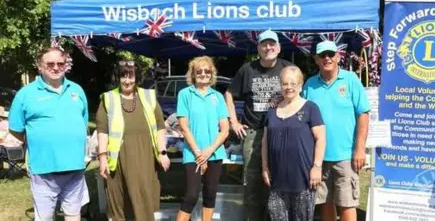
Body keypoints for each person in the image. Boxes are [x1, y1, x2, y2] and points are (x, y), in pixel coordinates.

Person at [8, 47, 89, 221]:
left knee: (74, 214)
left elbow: (83, 123)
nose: (55, 67)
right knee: (44, 217)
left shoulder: (77, 90)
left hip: (75, 167)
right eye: (50, 63)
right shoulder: (25, 94)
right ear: (39, 66)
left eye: (60, 63)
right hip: (43, 169)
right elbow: (15, 129)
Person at [225, 29, 292, 220]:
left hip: (281, 132)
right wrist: (233, 122)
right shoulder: (247, 69)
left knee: (279, 182)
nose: (268, 47)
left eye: (272, 44)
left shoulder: (287, 68)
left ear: (278, 48)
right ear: (258, 48)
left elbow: (298, 94)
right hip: (253, 133)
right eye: (264, 44)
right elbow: (229, 94)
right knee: (252, 185)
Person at [303, 41, 370, 221]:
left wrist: (360, 149)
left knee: (347, 203)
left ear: (338, 57)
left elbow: (363, 114)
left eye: (331, 54)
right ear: (316, 59)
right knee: (325, 202)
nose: (327, 58)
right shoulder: (309, 84)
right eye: (322, 55)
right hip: (318, 156)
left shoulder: (351, 80)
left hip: (345, 155)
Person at [96, 60, 170, 221]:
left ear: (137, 77)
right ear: (118, 77)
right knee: (120, 204)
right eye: (123, 76)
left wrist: (163, 152)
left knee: (143, 200)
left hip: (145, 158)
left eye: (131, 76)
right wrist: (102, 158)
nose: (127, 81)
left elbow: (160, 126)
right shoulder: (108, 99)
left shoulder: (148, 97)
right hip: (119, 160)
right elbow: (102, 131)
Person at [262, 66, 326, 221]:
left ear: (300, 85)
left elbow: (321, 139)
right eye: (285, 83)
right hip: (277, 180)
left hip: (303, 179)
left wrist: (317, 167)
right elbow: (265, 141)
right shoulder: (271, 111)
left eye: (293, 83)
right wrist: (264, 167)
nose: (289, 87)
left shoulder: (311, 108)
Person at [176, 56, 230, 221]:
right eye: (199, 71)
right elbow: (184, 127)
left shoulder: (218, 97)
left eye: (207, 70)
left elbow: (225, 129)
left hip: (214, 153)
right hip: (193, 154)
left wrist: (209, 151)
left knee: (210, 194)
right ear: (193, 73)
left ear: (212, 73)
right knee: (191, 195)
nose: (203, 74)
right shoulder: (185, 94)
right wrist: (199, 153)